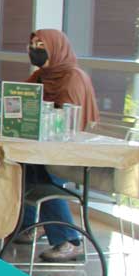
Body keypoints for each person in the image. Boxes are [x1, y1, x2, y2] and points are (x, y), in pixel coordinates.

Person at [17, 28, 101, 262]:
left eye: (41, 46)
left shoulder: (73, 77)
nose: (34, 50)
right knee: (22, 167)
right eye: (32, 45)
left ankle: (69, 240)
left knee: (44, 176)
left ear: (56, 48)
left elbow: (67, 121)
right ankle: (29, 225)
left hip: (68, 153)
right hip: (41, 147)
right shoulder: (42, 75)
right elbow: (22, 97)